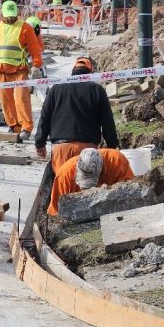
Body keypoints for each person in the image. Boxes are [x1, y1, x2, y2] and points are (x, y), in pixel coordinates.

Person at [33, 56, 120, 215]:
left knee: (62, 184)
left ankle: (57, 218)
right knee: (85, 186)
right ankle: (83, 220)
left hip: (61, 148)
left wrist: (40, 143)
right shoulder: (97, 90)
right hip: (87, 149)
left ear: (73, 71)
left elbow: (44, 117)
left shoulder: (56, 89)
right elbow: (108, 122)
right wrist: (113, 146)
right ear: (91, 72)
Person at [0, 1, 43, 141]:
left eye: (13, 15)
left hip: (19, 70)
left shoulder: (25, 27)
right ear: (1, 14)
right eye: (7, 16)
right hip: (0, 69)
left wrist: (36, 65)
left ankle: (26, 127)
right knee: (6, 100)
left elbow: (35, 48)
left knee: (21, 99)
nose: (10, 18)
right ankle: (14, 126)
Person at [47, 148, 134, 216]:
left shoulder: (117, 162)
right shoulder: (65, 174)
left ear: (102, 168)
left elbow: (129, 194)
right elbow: (56, 211)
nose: (87, 190)